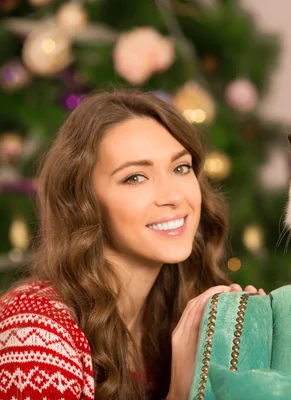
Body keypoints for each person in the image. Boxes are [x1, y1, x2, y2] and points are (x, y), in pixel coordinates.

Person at [0, 89, 265, 400]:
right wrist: (182, 390)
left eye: (181, 168)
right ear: (83, 201)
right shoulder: (36, 333)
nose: (173, 197)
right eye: (135, 177)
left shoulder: (177, 315)